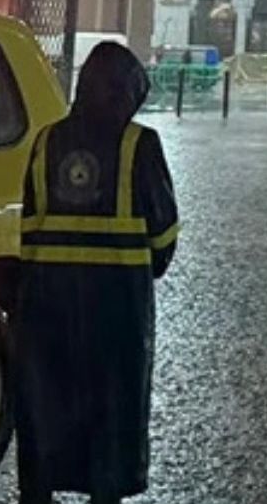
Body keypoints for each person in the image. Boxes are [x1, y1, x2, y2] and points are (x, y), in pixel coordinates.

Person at [15, 42, 179, 504]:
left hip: (47, 305)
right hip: (117, 308)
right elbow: (163, 235)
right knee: (112, 405)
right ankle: (105, 489)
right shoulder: (138, 143)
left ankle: (41, 486)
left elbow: (27, 226)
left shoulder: (46, 141)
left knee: (47, 401)